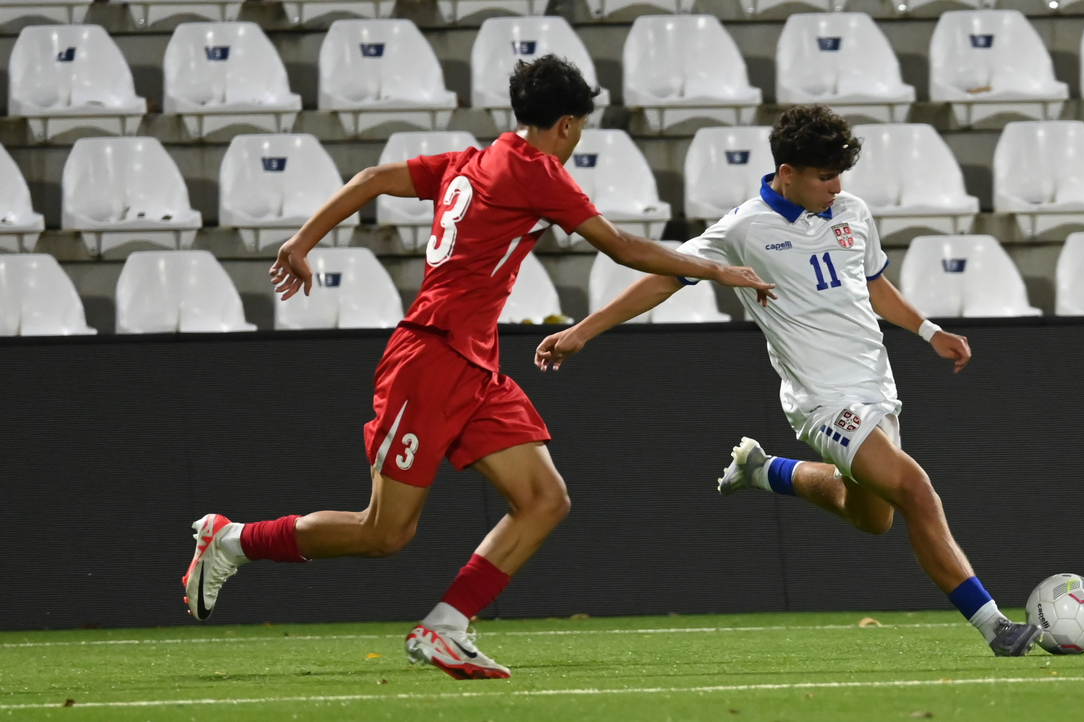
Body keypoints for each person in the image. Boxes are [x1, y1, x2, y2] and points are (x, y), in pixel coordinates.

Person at [181, 55, 775, 680]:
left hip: (474, 364)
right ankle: (230, 541)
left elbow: (372, 177)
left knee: (545, 499)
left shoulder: (472, 160)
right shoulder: (537, 170)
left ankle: (446, 626)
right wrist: (714, 268)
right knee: (385, 532)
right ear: (568, 125)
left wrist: (302, 242)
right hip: (431, 358)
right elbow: (622, 247)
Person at [534, 104, 1044, 657]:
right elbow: (664, 280)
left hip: (877, 390)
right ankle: (996, 626)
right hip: (820, 401)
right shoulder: (744, 227)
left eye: (839, 173)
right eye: (825, 175)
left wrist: (928, 330)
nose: (836, 185)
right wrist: (582, 331)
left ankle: (766, 470)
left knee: (872, 516)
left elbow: (873, 286)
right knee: (917, 490)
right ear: (786, 173)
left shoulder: (852, 211)